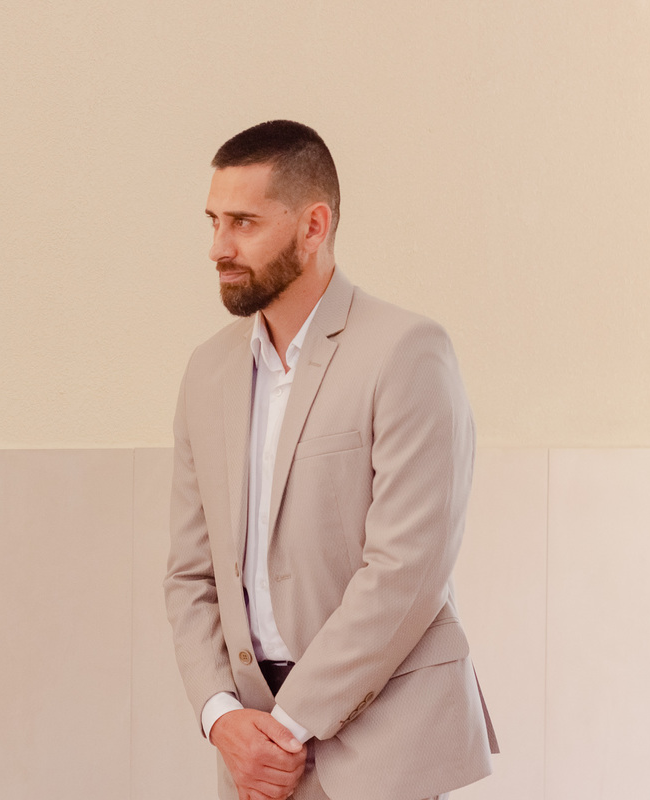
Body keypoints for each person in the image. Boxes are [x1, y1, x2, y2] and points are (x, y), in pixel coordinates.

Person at [164, 120, 497, 800]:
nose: (219, 247)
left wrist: (286, 727)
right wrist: (222, 718)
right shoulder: (207, 372)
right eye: (214, 222)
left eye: (244, 223)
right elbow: (190, 574)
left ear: (313, 226)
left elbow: (406, 572)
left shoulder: (406, 352)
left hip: (383, 749)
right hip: (251, 755)